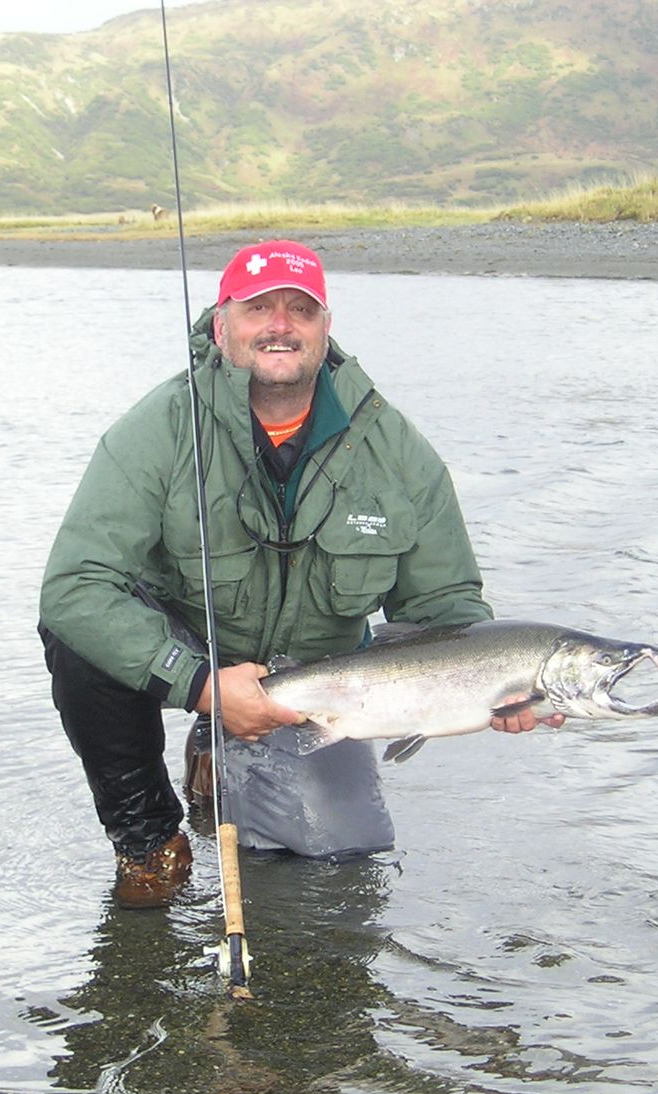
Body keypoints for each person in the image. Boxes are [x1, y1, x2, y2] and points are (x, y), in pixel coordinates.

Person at [39, 240, 554, 908]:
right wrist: (201, 684)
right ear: (222, 326)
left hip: (318, 683)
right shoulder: (157, 430)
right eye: (259, 308)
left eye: (299, 309)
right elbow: (74, 584)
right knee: (80, 638)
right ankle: (150, 840)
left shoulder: (394, 448)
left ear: (324, 328)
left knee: (341, 867)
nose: (280, 325)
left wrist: (500, 685)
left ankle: (219, 752)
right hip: (190, 652)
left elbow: (447, 608)